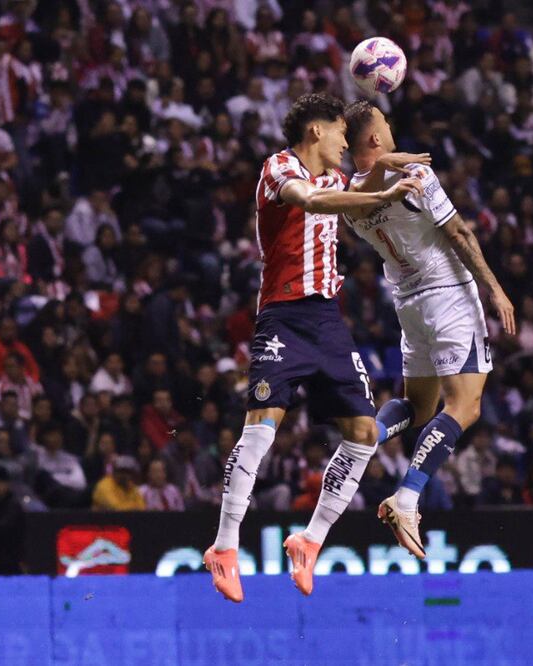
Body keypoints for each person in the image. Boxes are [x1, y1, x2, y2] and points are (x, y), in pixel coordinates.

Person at [203, 92, 423, 603]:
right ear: (315, 132)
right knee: (261, 428)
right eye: (340, 131)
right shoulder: (279, 168)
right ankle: (224, 545)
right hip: (282, 316)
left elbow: (353, 183)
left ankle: (310, 539)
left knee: (365, 433)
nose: (347, 141)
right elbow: (313, 201)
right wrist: (383, 196)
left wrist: (387, 163)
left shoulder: (336, 177)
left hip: (326, 320)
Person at [341, 100, 516, 558]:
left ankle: (368, 435)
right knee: (467, 406)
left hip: (408, 304)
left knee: (419, 410)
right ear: (376, 139)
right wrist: (495, 288)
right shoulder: (416, 175)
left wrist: (379, 166)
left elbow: (369, 188)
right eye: (384, 124)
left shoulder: (349, 201)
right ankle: (408, 497)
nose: (391, 128)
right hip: (449, 295)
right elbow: (460, 233)